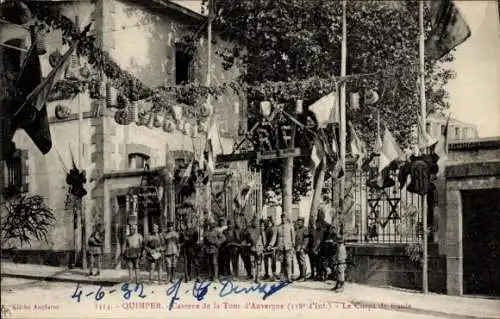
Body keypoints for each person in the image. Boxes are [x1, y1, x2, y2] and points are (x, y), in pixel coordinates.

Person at [268, 213, 295, 283]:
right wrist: (270, 245)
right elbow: (274, 237)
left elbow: (293, 236)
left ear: (286, 218)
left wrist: (293, 244)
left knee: (288, 262)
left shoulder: (290, 226)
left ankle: (289, 277)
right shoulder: (278, 227)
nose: (283, 219)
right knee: (282, 262)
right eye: (282, 217)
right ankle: (283, 277)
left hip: (288, 246)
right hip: (280, 247)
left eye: (284, 217)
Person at [246, 217, 267, 283]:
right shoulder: (249, 230)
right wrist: (248, 243)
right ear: (251, 223)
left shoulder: (260, 230)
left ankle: (257, 278)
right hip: (252, 249)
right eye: (253, 222)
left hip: (259, 249)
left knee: (258, 263)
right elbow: (247, 239)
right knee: (252, 263)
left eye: (255, 222)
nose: (254, 223)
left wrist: (263, 248)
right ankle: (253, 278)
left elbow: (264, 241)